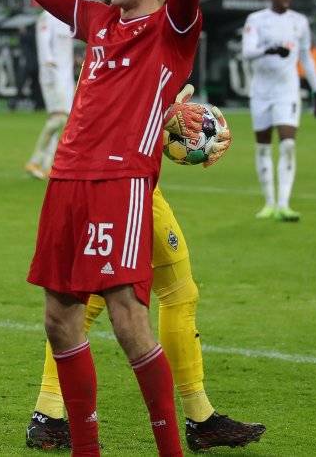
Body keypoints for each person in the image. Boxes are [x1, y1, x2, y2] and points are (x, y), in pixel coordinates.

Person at [18, 0, 207, 456]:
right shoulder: (99, 20)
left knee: (127, 318)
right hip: (65, 179)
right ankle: (87, 450)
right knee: (59, 318)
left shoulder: (174, 25)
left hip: (120, 182)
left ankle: (170, 449)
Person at [25, 183, 266, 452]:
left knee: (89, 295)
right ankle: (199, 417)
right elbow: (132, 139)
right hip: (130, 188)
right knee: (175, 294)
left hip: (86, 185)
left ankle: (47, 413)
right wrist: (186, 139)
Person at [241, 0, 316, 222]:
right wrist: (269, 50)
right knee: (263, 146)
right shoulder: (256, 20)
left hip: (287, 91)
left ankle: (283, 204)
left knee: (288, 144)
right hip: (261, 92)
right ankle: (268, 202)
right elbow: (247, 52)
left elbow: (306, 59)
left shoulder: (299, 22)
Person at [24, 10, 74, 179]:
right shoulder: (47, 16)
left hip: (67, 79)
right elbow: (44, 45)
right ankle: (35, 161)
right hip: (53, 76)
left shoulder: (68, 19)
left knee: (64, 122)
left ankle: (49, 164)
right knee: (59, 119)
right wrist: (49, 69)